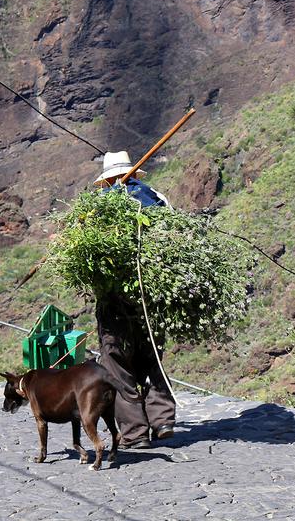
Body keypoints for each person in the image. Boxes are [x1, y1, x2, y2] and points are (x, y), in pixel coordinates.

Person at [93, 151, 176, 449]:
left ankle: (135, 434)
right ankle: (163, 420)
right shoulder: (158, 198)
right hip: (153, 298)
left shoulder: (98, 209)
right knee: (153, 359)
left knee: (119, 368)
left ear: (107, 181)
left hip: (116, 302)